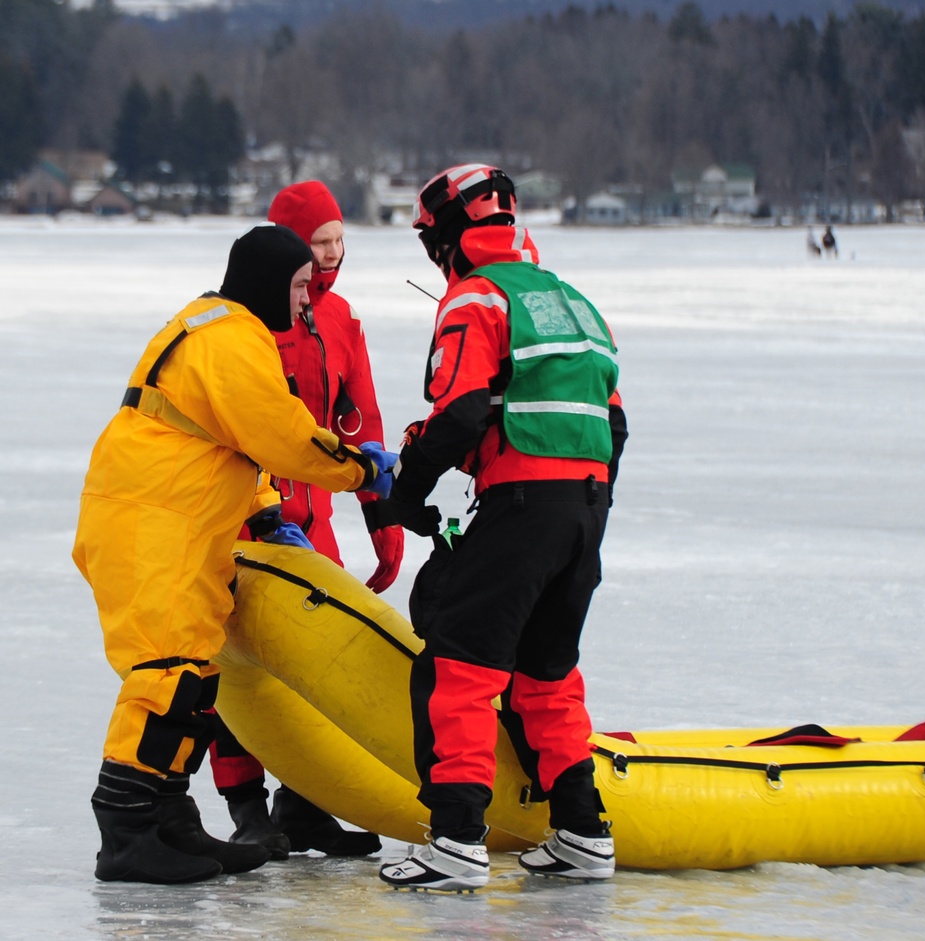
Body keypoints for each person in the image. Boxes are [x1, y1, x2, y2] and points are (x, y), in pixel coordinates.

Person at [72, 222, 396, 885]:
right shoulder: (233, 340)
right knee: (165, 671)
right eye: (301, 285)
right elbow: (282, 437)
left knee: (194, 667)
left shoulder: (212, 326)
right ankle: (126, 831)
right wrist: (363, 470)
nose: (308, 301)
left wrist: (265, 511)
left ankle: (168, 818)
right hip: (152, 521)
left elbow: (213, 437)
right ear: (269, 283)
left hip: (169, 515)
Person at [378, 164, 627, 892]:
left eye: (432, 243)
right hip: (589, 505)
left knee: (457, 660)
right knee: (546, 670)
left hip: (524, 505)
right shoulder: (574, 303)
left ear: (451, 238)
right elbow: (613, 422)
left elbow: (458, 414)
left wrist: (406, 492)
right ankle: (582, 828)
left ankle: (455, 837)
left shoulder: (474, 300)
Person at [208, 181, 398, 860]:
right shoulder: (251, 322)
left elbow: (362, 423)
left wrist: (385, 525)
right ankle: (247, 809)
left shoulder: (342, 320)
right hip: (244, 517)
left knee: (319, 673)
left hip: (312, 526)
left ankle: (306, 805)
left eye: (340, 240)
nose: (333, 254)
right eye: (319, 243)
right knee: (240, 671)